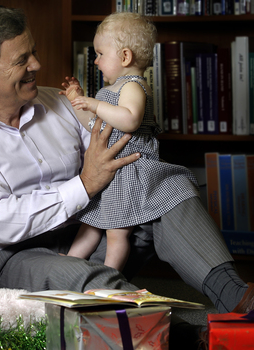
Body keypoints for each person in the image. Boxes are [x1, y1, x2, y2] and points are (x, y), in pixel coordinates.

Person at [0, 7, 254, 349]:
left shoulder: (58, 103)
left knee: (166, 186)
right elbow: (0, 223)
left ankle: (239, 297)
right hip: (16, 256)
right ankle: (194, 337)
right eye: (22, 59)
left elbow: (115, 151)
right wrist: (84, 184)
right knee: (86, 280)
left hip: (86, 228)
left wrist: (137, 175)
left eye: (34, 52)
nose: (38, 65)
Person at [59, 13, 192, 272]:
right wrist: (77, 100)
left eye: (99, 54)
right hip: (108, 171)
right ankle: (70, 263)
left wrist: (95, 104)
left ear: (124, 57)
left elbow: (130, 120)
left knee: (116, 233)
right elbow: (94, 125)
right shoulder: (113, 89)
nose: (95, 61)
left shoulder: (132, 86)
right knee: (91, 222)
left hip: (126, 173)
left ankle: (110, 276)